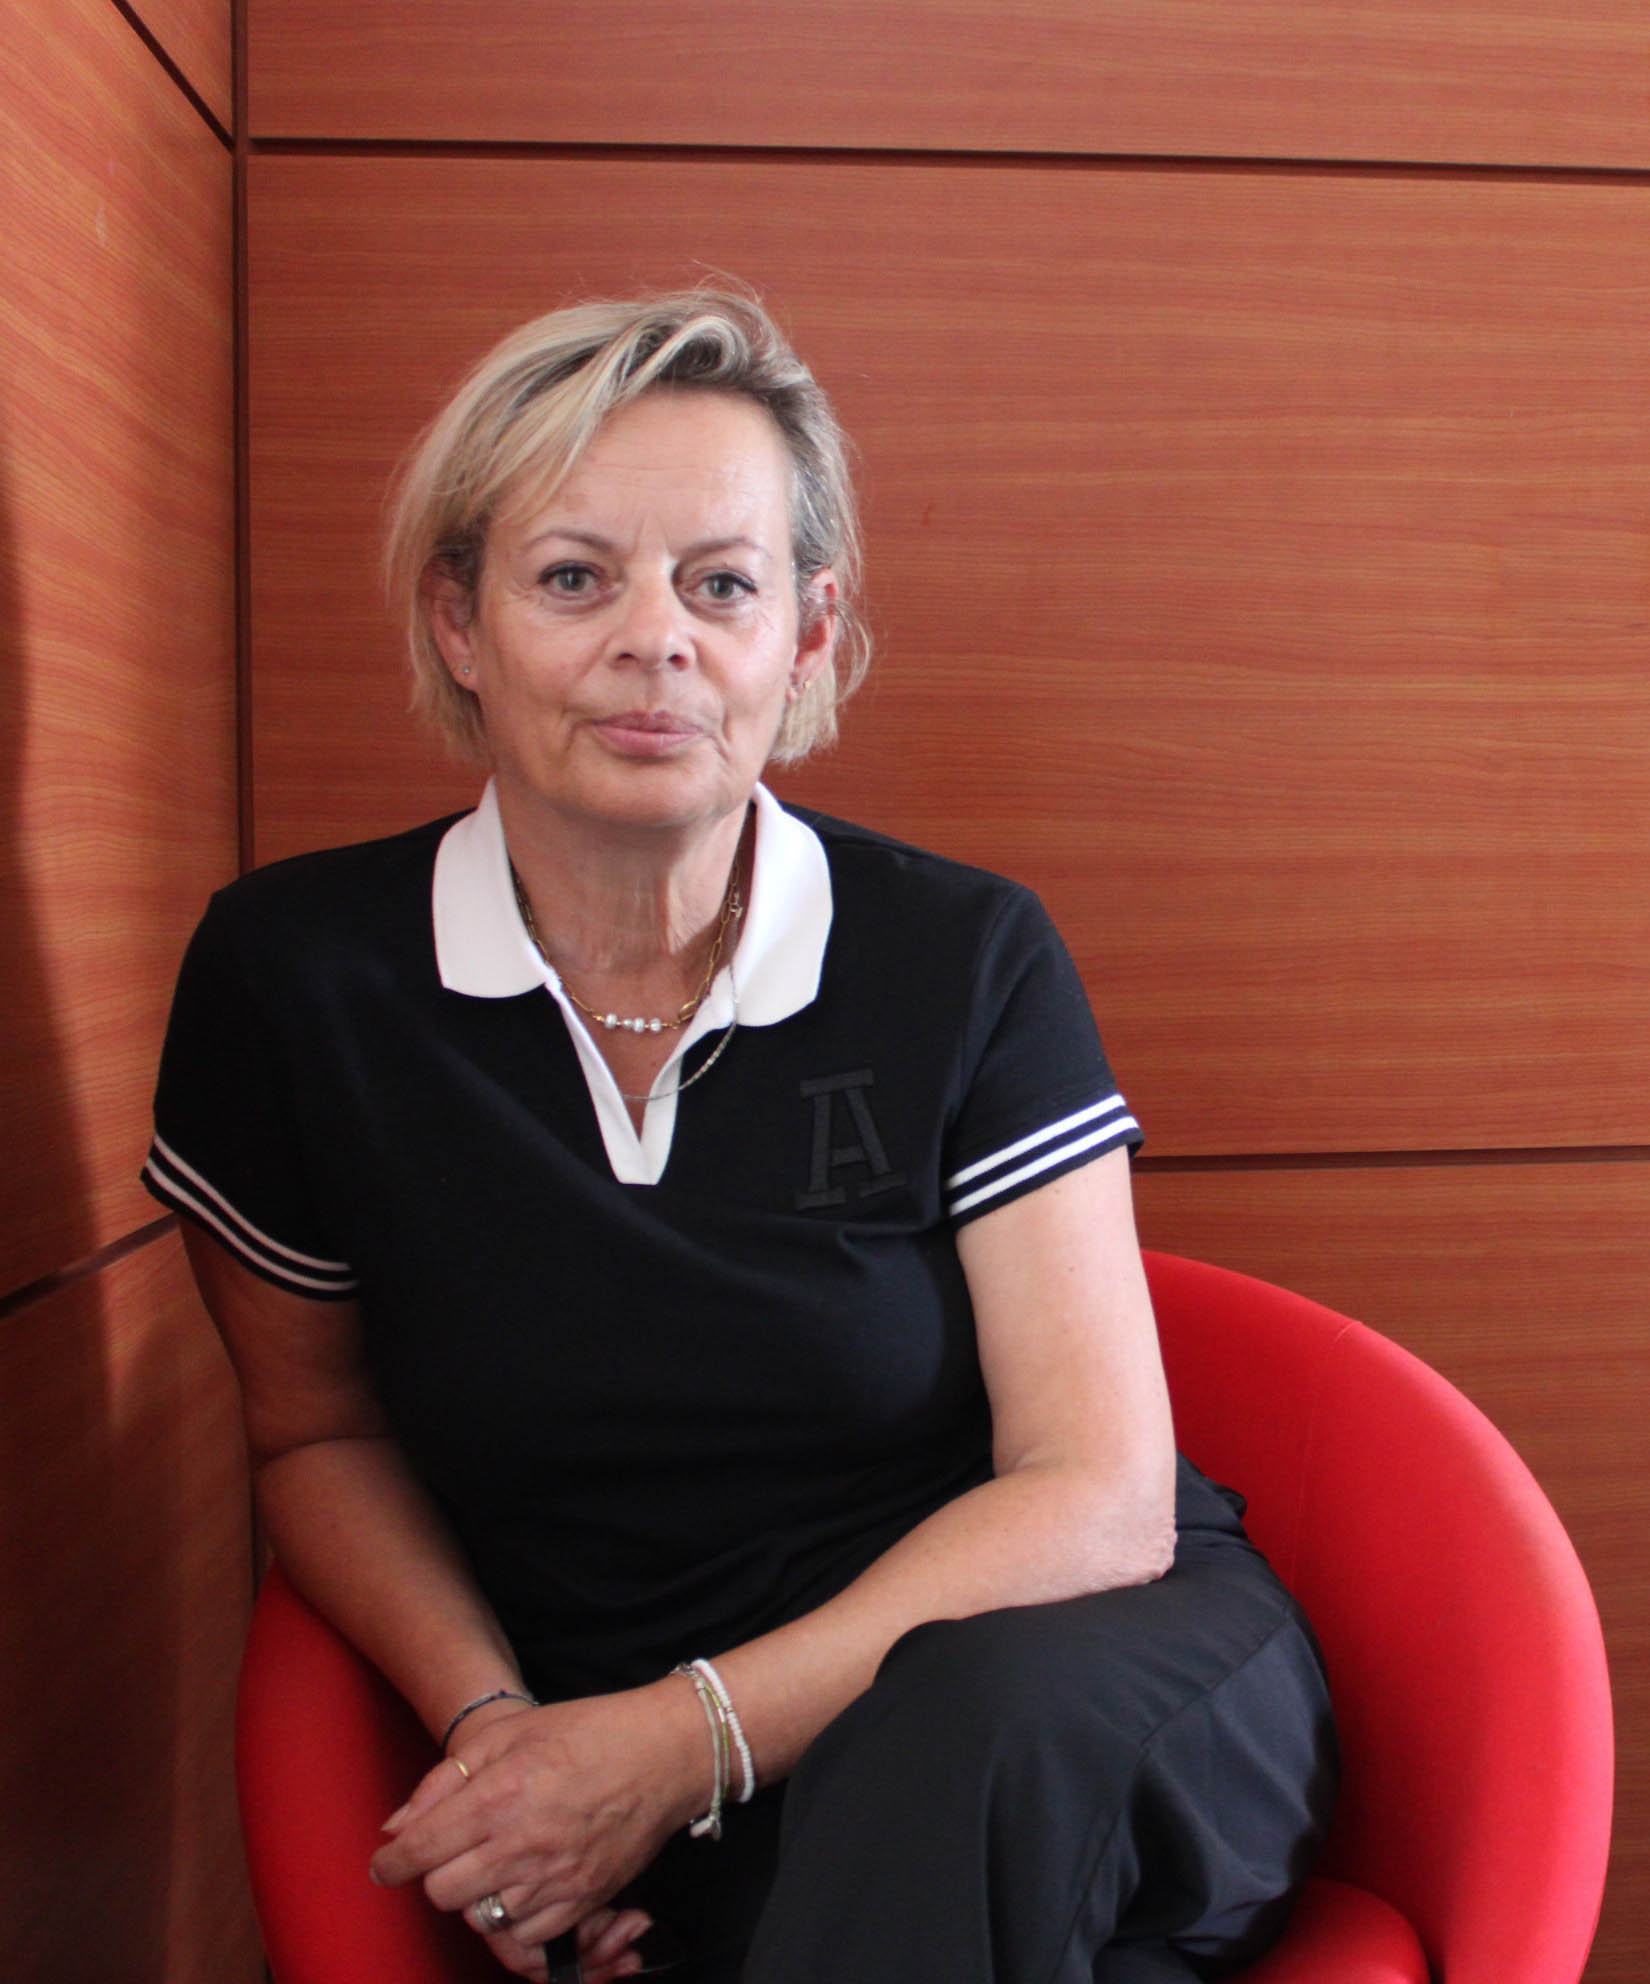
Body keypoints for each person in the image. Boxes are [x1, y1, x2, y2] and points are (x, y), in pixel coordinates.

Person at [145, 288, 1335, 1984]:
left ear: (809, 633)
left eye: (721, 584)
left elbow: (1097, 1497)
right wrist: (509, 1752)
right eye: (575, 578)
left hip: (1056, 1671)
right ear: (459, 622)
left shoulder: (962, 953)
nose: (658, 639)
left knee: (964, 1748)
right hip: (654, 1740)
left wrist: (670, 1750)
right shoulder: (296, 980)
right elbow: (317, 1437)